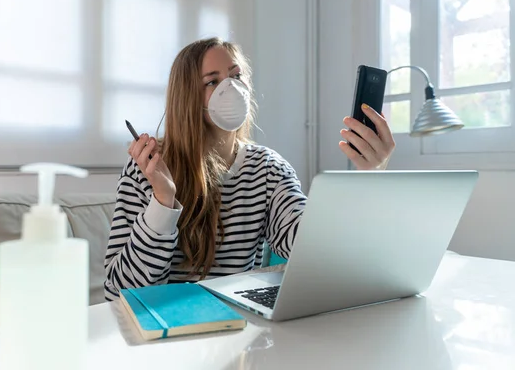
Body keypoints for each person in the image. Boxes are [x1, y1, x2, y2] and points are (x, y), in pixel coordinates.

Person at [104, 37, 395, 299]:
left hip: (239, 330)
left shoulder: (268, 169)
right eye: (212, 81)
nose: (230, 88)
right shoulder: (149, 168)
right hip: (166, 334)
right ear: (187, 98)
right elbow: (118, 291)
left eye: (236, 75)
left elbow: (313, 250)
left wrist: (369, 179)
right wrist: (163, 201)